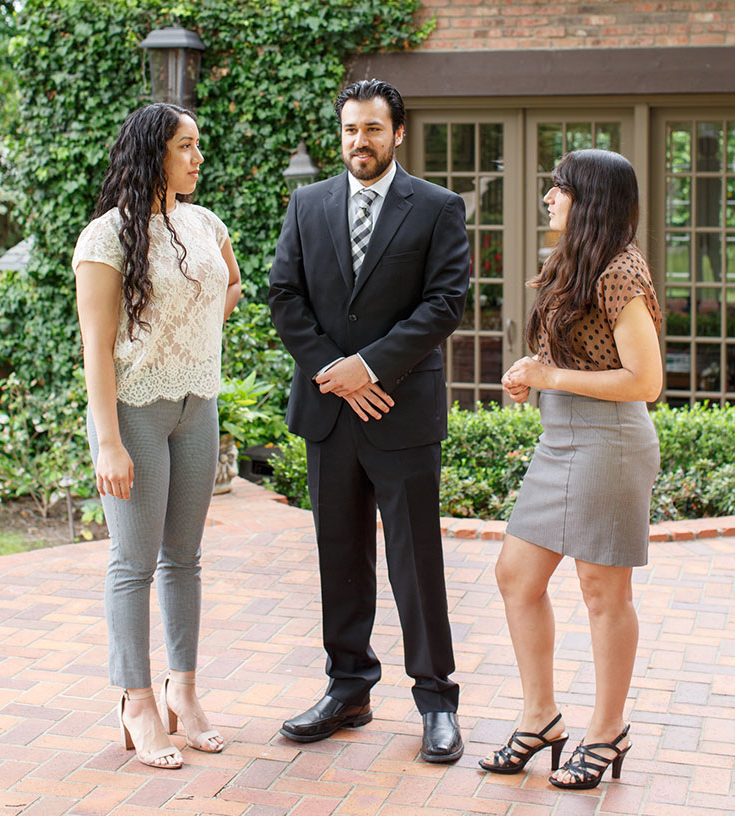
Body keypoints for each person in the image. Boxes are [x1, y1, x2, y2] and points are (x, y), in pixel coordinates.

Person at [268, 79, 470, 763]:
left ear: (398, 133)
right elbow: (285, 296)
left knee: (417, 560)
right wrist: (340, 373)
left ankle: (437, 699)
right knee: (339, 556)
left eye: (373, 130)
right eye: (351, 129)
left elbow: (445, 303)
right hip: (331, 411)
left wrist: (373, 368)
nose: (360, 141)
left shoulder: (438, 208)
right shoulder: (307, 203)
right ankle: (348, 687)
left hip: (402, 409)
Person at [479, 149, 662, 789]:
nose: (549, 198)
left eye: (560, 189)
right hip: (561, 437)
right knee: (516, 576)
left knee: (602, 592)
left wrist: (551, 374)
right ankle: (541, 719)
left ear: (592, 200)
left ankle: (607, 731)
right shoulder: (574, 263)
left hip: (610, 443)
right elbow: (579, 351)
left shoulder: (621, 271)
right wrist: (534, 373)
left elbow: (647, 381)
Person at [73, 103, 241, 769]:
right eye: (185, 146)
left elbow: (231, 285)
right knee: (134, 562)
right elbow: (95, 347)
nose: (197, 157)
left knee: (185, 558)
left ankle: (185, 693)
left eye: (199, 146)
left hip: (198, 407)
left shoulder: (205, 223)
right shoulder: (105, 238)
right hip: (134, 413)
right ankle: (136, 701)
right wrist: (108, 440)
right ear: (153, 153)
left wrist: (192, 337)